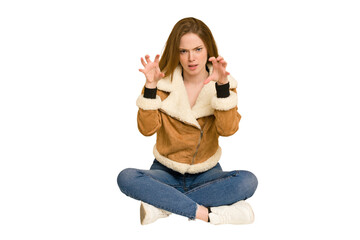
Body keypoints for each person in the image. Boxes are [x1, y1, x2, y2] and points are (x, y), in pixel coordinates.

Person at [117, 17, 258, 225]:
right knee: (126, 177)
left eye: (198, 49)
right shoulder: (161, 84)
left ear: (208, 49)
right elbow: (147, 130)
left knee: (248, 181)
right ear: (176, 53)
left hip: (206, 173)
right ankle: (208, 215)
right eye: (184, 51)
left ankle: (162, 206)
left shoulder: (224, 84)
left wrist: (222, 87)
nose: (191, 58)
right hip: (165, 172)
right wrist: (150, 87)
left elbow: (227, 130)